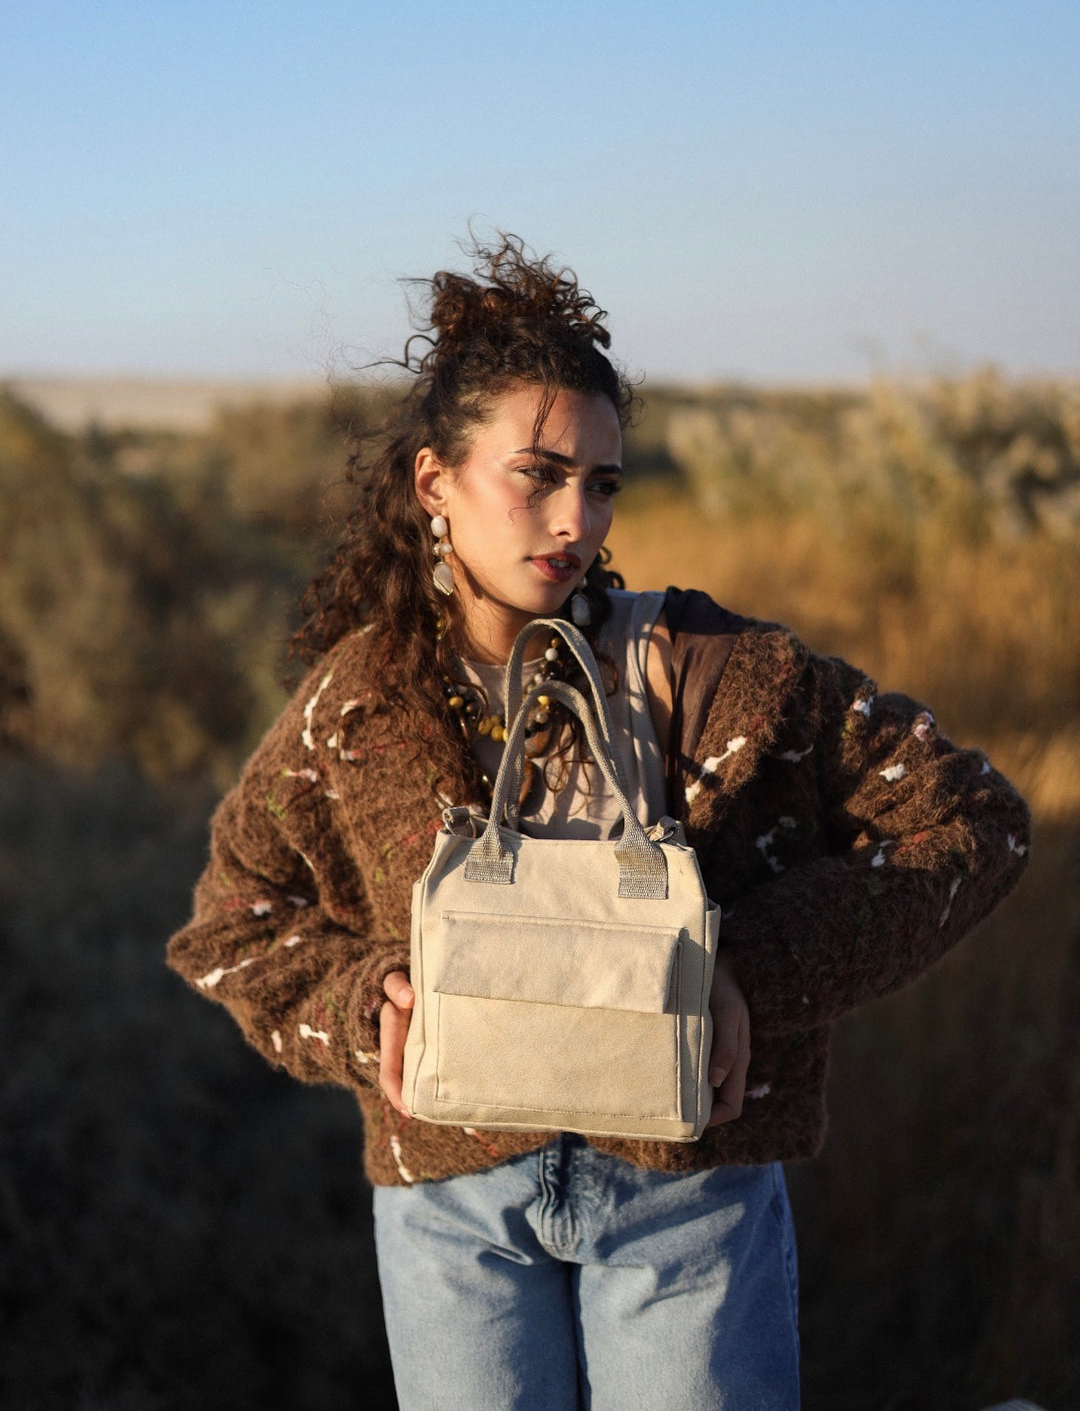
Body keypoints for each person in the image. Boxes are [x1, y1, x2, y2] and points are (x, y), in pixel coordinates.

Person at [167, 237, 1030, 1410]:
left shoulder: (719, 674)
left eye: (603, 482)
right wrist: (369, 1002)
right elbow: (233, 919)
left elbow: (974, 820)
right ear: (434, 482)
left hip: (685, 1192)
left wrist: (747, 968)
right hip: (453, 1207)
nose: (576, 517)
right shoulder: (359, 703)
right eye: (538, 474)